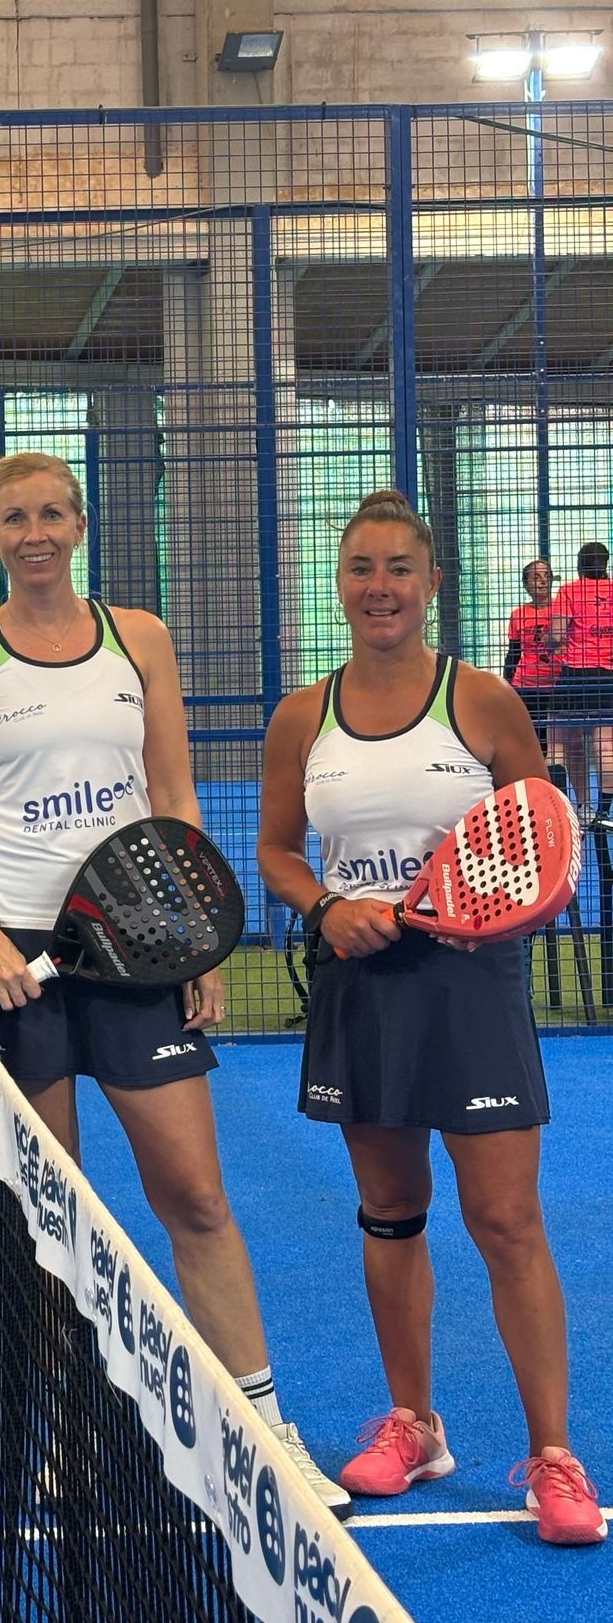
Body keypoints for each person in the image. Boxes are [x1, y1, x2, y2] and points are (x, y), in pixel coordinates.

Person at [0, 451, 348, 1518]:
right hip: (11, 960)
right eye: (15, 516)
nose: (35, 532)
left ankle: (263, 1431)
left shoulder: (138, 636)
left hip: (139, 945)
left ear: (81, 523)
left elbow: (173, 792)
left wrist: (197, 943)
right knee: (51, 1214)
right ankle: (69, 1427)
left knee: (195, 1194)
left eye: (52, 512)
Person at [257, 489, 605, 1546]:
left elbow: (540, 833)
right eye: (361, 568)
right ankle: (415, 1424)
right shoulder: (302, 716)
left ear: (433, 583)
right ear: (340, 585)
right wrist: (327, 907)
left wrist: (475, 915)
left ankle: (554, 1456)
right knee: (391, 1208)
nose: (381, 588)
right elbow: (277, 850)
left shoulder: (486, 701)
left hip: (471, 986)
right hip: (359, 984)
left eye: (399, 568)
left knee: (505, 1217)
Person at [548, 539, 613, 813]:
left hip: (574, 672)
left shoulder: (570, 591)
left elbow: (557, 635)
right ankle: (602, 814)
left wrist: (553, 643)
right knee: (605, 743)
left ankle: (566, 810)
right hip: (607, 674)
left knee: (557, 741)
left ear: (579, 565)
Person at [503, 559, 563, 774]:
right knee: (531, 739)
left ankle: (555, 789)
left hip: (556, 684)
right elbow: (513, 653)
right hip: (526, 684)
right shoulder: (519, 614)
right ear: (525, 584)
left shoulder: (562, 609)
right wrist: (507, 685)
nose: (542, 581)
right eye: (536, 577)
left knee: (556, 744)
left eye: (547, 576)